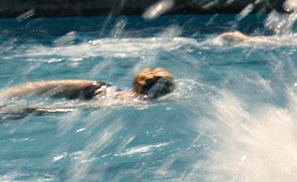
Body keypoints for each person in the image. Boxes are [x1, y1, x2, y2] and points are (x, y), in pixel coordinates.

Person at [0, 68, 175, 102]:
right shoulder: (132, 103)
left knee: (36, 88)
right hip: (94, 94)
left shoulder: (129, 96)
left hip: (97, 87)